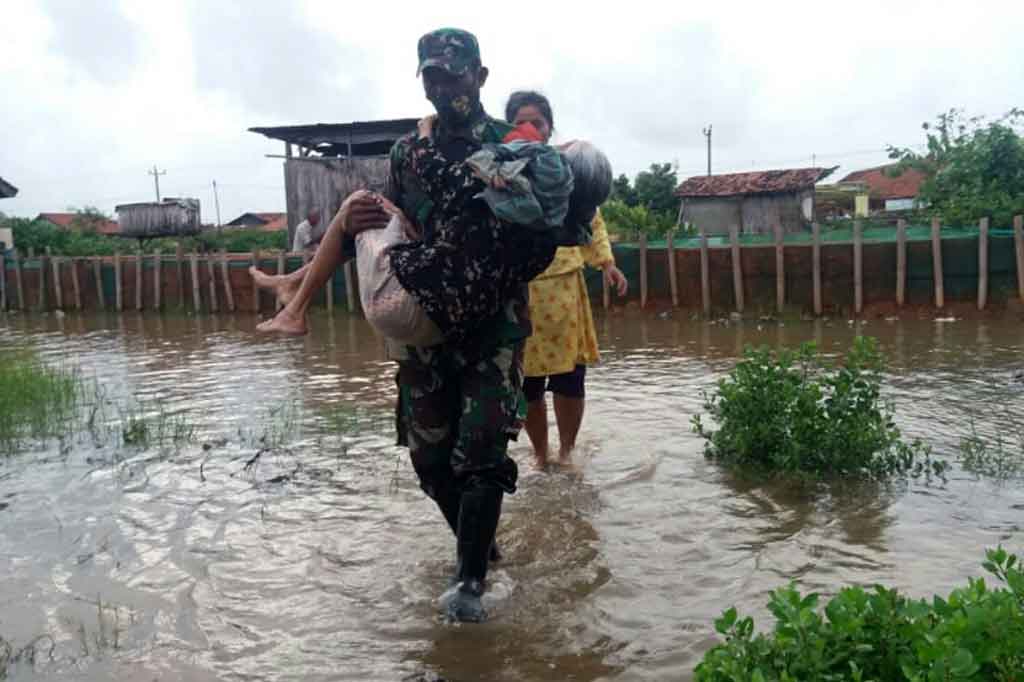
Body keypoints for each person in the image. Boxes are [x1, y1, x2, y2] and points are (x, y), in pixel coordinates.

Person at [252, 29, 570, 624]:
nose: (443, 85)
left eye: (454, 73)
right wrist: (350, 226)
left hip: (492, 323)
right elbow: (391, 229)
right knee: (429, 462)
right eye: (432, 75)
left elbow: (546, 224)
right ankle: (481, 549)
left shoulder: (511, 147)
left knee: (482, 452)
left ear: (480, 76)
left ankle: (469, 581)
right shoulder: (406, 154)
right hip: (424, 322)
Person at [505, 91, 629, 469]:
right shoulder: (502, 168)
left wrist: (606, 263)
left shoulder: (566, 168)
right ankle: (541, 456)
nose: (529, 128)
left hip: (564, 289)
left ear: (549, 128)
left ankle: (567, 453)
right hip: (521, 289)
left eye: (537, 122)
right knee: (528, 384)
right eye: (520, 122)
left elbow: (591, 218)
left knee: (570, 378)